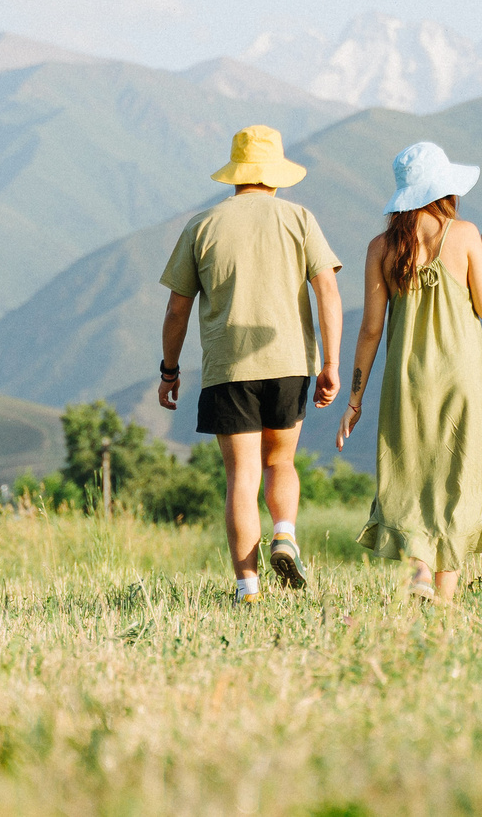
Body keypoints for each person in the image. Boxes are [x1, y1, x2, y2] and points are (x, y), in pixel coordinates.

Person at [157, 125, 344, 603]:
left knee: (241, 476)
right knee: (280, 460)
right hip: (289, 363)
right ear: (275, 175)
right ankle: (284, 532)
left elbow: (178, 308)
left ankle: (247, 588)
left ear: (235, 175)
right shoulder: (300, 218)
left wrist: (170, 370)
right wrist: (332, 362)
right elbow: (327, 290)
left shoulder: (202, 226)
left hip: (228, 368)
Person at [337, 141, 482, 604]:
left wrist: (354, 400)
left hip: (406, 382)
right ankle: (444, 595)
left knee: (412, 478)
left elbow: (371, 330)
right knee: (457, 480)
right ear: (445, 190)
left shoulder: (381, 247)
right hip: (463, 379)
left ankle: (417, 574)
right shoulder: (466, 234)